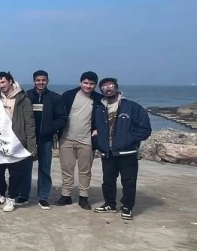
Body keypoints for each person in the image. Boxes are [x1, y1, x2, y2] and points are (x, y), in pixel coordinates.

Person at [93, 78, 151, 220]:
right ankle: (109, 204)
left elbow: (144, 129)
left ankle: (127, 207)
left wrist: (129, 140)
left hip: (127, 152)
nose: (108, 89)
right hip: (108, 152)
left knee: (128, 181)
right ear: (101, 91)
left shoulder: (132, 107)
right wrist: (97, 142)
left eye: (110, 86)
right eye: (104, 87)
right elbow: (94, 128)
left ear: (117, 88)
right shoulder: (99, 109)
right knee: (108, 180)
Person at [0, 72, 36, 213]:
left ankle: (12, 198)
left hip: (16, 142)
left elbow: (30, 124)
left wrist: (31, 146)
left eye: (3, 82)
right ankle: (1, 194)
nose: (1, 85)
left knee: (16, 173)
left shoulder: (23, 99)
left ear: (10, 81)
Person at [56, 71, 102, 209]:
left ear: (95, 85)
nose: (88, 86)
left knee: (85, 171)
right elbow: (58, 113)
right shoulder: (68, 95)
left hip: (87, 140)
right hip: (66, 139)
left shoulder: (99, 99)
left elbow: (104, 117)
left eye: (91, 84)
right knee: (66, 169)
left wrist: (98, 129)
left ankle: (83, 197)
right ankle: (66, 195)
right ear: (80, 82)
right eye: (85, 83)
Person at [25, 70, 68, 209]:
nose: (41, 82)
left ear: (47, 81)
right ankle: (23, 194)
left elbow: (62, 117)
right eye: (38, 80)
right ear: (34, 81)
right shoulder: (26, 96)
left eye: (43, 80)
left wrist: (50, 128)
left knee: (44, 168)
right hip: (28, 139)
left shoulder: (55, 98)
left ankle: (43, 197)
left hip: (46, 139)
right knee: (25, 168)